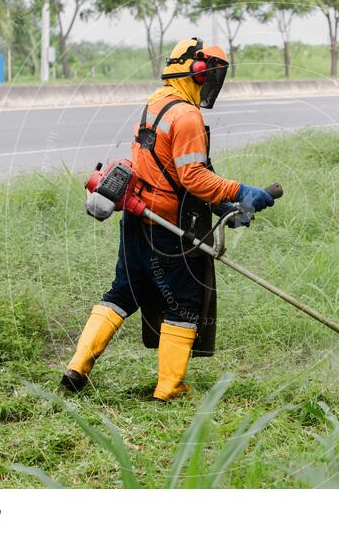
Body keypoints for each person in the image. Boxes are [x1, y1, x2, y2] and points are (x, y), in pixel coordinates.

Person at [61, 38, 275, 401]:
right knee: (183, 302)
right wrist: (239, 191)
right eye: (211, 76)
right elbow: (193, 177)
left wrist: (220, 205)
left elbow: (169, 171)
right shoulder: (188, 115)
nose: (212, 84)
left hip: (135, 219)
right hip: (168, 230)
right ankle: (169, 387)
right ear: (197, 71)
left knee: (122, 293)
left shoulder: (156, 103)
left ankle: (77, 366)